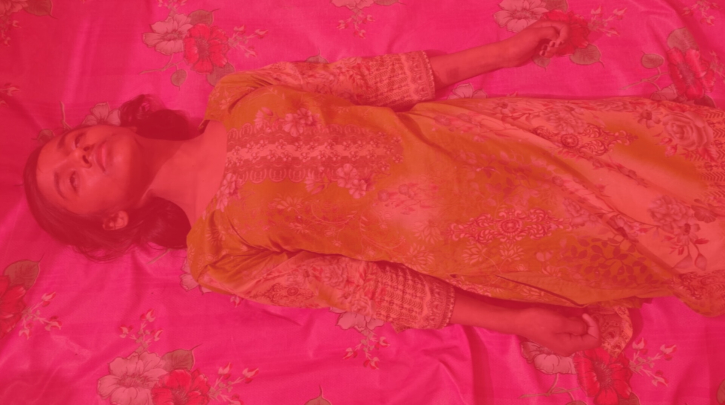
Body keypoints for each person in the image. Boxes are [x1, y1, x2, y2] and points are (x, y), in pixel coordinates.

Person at [23, 18, 725, 358]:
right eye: (71, 178)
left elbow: (374, 81)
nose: (81, 151)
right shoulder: (219, 256)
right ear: (113, 220)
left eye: (72, 141)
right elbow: (366, 288)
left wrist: (503, 52)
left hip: (492, 143)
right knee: (681, 243)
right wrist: (515, 321)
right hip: (491, 239)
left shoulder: (238, 94)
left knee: (674, 162)